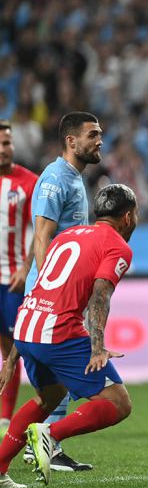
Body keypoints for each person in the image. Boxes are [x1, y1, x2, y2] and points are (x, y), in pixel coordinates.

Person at [0, 184, 138, 488]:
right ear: (128, 217)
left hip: (27, 325)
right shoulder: (117, 246)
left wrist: (12, 356)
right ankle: (50, 435)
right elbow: (101, 296)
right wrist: (97, 347)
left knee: (49, 396)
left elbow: (40, 288)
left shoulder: (67, 235)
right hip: (58, 331)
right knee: (118, 403)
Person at [21, 111, 104, 472]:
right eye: (92, 134)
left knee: (54, 383)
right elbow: (42, 235)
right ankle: (45, 444)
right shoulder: (55, 179)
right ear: (71, 141)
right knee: (64, 376)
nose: (99, 140)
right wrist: (47, 289)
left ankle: (42, 446)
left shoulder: (73, 178)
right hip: (53, 295)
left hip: (63, 292)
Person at [0, 121, 38, 439]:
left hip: (12, 280)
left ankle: (4, 417)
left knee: (13, 347)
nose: (4, 149)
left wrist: (26, 269)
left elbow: (40, 231)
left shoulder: (28, 183)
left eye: (7, 143)